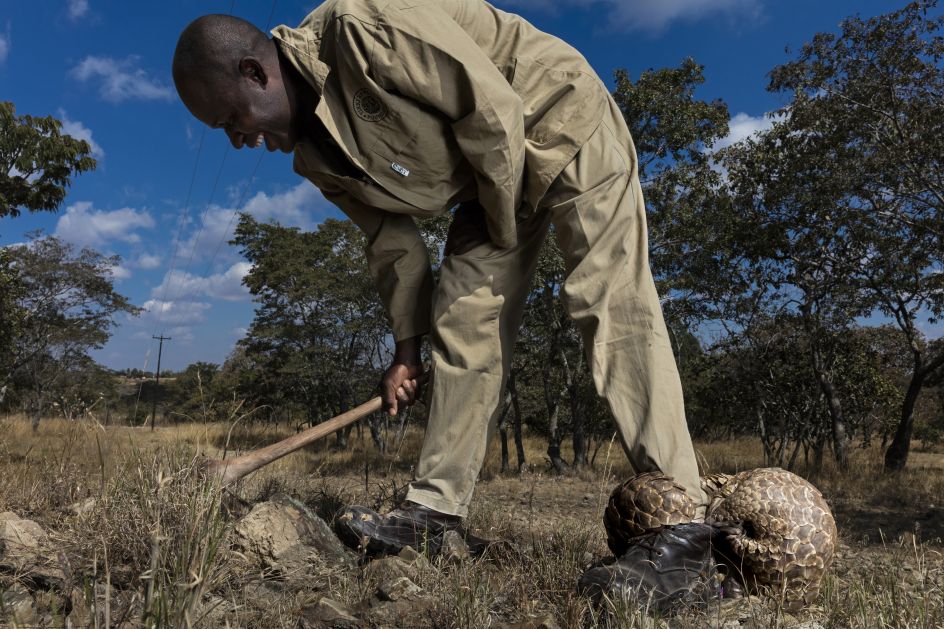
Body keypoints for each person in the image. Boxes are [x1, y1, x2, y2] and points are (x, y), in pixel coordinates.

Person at [173, 0, 714, 601]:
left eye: (230, 120)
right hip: (489, 182)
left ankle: (684, 532)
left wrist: (496, 221)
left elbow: (490, 107)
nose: (240, 140)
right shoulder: (313, 158)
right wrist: (406, 349)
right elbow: (391, 242)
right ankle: (436, 514)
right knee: (461, 318)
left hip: (557, 120)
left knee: (607, 300)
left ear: (255, 72)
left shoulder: (361, 27)